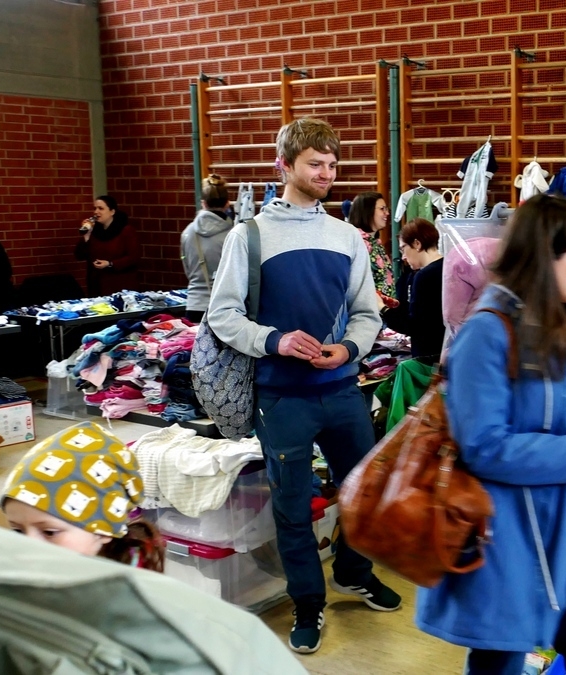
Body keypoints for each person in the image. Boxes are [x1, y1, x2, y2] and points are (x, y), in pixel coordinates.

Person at [417, 195, 566, 675]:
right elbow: (486, 447)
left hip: (563, 534)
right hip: (506, 542)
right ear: (546, 256)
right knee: (500, 663)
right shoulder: (487, 333)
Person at [205, 117, 399, 655]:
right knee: (293, 506)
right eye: (315, 164)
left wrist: (350, 349)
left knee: (364, 492)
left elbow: (368, 312)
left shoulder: (347, 237)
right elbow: (222, 315)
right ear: (284, 166)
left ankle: (353, 573)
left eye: (332, 165)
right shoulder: (248, 236)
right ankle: (308, 602)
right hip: (281, 397)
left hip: (342, 390)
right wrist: (274, 340)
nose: (326, 174)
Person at [1, 421, 165, 571]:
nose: (28, 547)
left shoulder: (126, 585)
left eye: (49, 532)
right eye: (18, 531)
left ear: (103, 531)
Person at [381, 218, 444, 362]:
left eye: (403, 249)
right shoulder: (447, 266)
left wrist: (383, 309)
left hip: (428, 359)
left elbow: (415, 327)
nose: (403, 256)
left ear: (417, 244)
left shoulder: (424, 276)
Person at [180, 175, 234, 324]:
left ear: (203, 203)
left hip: (194, 305)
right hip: (225, 307)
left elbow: (188, 269)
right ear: (227, 204)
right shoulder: (234, 234)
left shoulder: (187, 232)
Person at [74, 195, 140, 296]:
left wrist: (110, 264)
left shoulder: (126, 230)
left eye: (101, 208)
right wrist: (86, 237)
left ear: (112, 211)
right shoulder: (94, 231)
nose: (96, 212)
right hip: (97, 284)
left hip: (119, 283)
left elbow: (133, 257)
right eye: (95, 208)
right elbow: (79, 255)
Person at [346, 191, 397, 304]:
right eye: (382, 209)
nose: (387, 213)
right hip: (367, 308)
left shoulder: (375, 243)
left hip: (383, 308)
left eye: (386, 209)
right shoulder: (357, 242)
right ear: (367, 211)